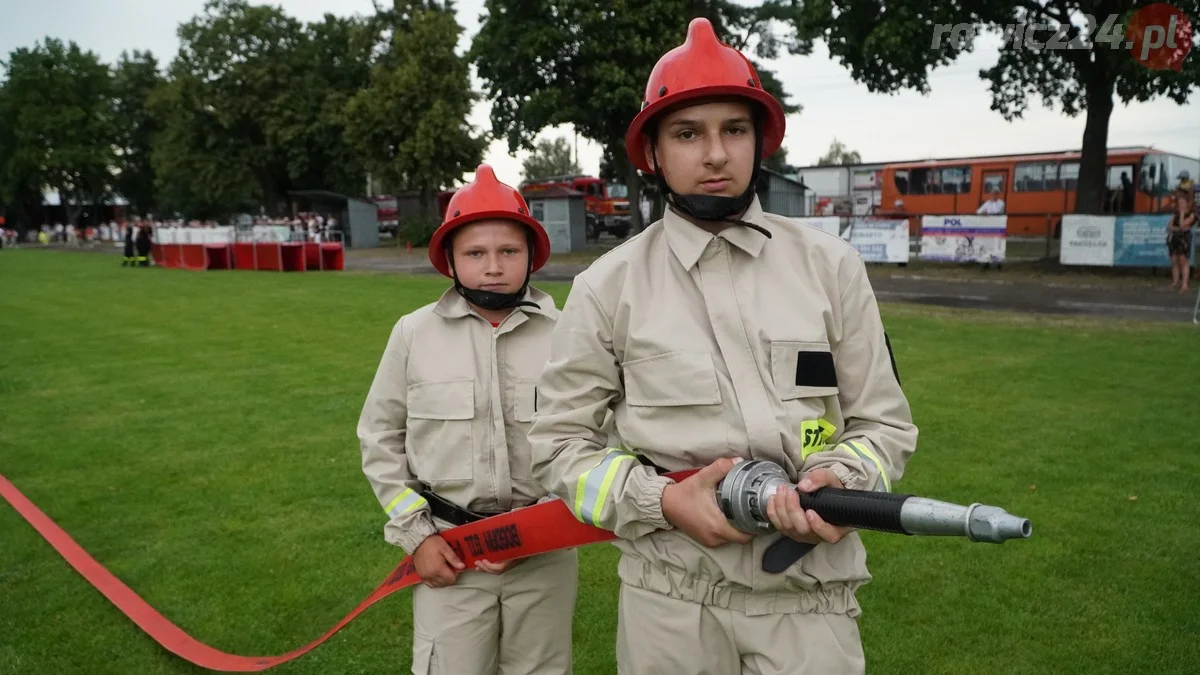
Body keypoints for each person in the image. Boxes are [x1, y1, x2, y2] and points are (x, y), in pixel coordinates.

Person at [528, 18, 918, 675]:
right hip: (669, 603)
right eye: (688, 133)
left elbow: (884, 423)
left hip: (810, 598)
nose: (715, 154)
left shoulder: (832, 267)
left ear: (759, 141)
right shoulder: (607, 287)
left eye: (734, 130)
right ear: (652, 152)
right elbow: (558, 445)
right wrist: (661, 501)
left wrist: (842, 479)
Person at [357, 165, 578, 675]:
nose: (494, 266)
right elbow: (380, 437)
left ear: (532, 257)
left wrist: (541, 527)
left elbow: (592, 435)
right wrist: (418, 537)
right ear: (450, 261)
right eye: (476, 253)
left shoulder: (569, 335)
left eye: (509, 251)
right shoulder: (413, 334)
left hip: (544, 554)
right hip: (449, 554)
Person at [1167, 187, 1196, 293]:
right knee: (1174, 260)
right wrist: (1178, 228)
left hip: (1184, 239)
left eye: (1182, 203)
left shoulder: (1192, 214)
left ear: (1187, 203)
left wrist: (1183, 214)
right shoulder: (1176, 214)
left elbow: (1183, 224)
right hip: (1174, 238)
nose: (1180, 205)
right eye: (1179, 203)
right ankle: (1175, 281)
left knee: (1183, 261)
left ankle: (1184, 284)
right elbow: (1170, 226)